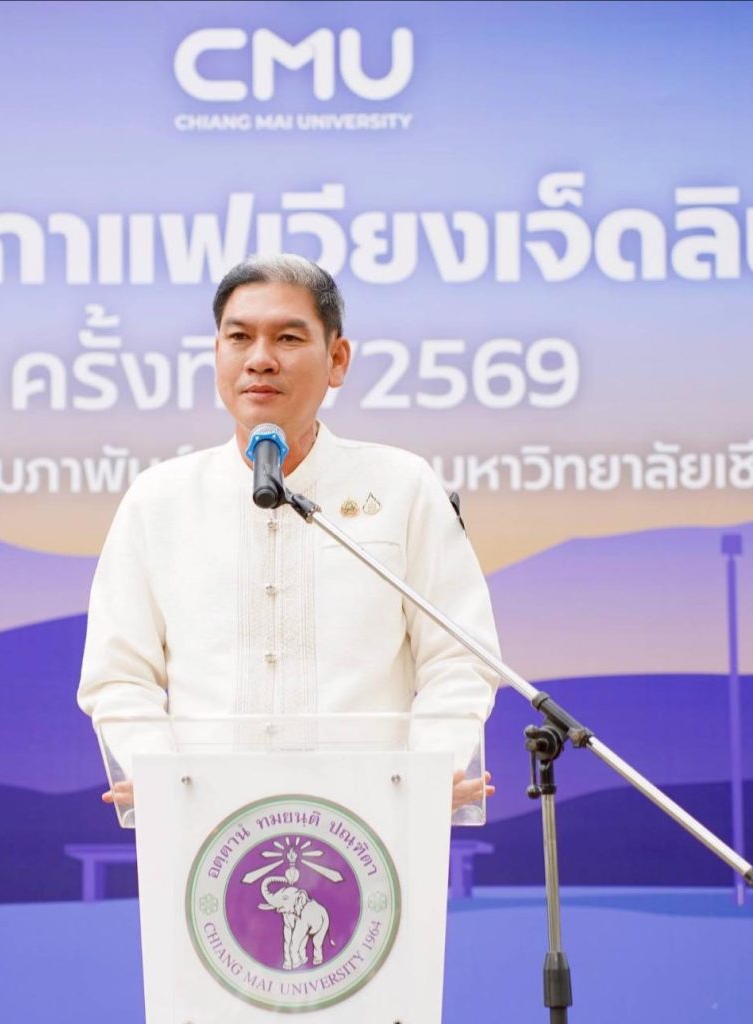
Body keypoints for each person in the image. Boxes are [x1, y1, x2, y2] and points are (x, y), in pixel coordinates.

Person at [78, 254, 500, 809]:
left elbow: (459, 657)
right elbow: (119, 675)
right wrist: (160, 777)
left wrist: (429, 770)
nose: (260, 360)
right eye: (239, 338)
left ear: (337, 359)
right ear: (217, 353)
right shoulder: (159, 500)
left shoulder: (402, 486)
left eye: (288, 338)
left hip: (375, 819)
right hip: (204, 824)